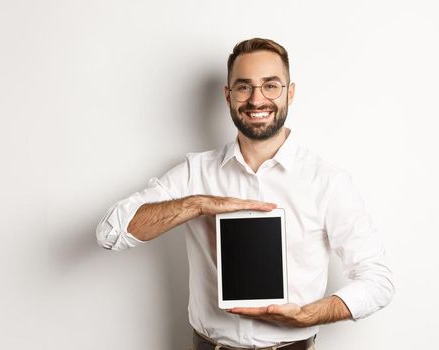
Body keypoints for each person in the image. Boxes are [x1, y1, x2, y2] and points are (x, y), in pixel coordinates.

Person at [96, 38, 394, 350]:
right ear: (228, 95)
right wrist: (197, 204)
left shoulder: (327, 181)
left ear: (290, 93)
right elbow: (110, 233)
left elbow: (379, 282)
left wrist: (308, 315)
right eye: (243, 87)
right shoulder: (194, 172)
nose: (256, 99)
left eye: (271, 86)